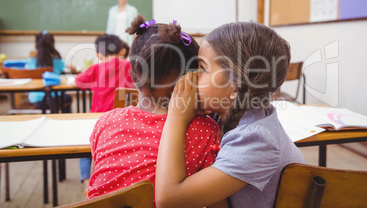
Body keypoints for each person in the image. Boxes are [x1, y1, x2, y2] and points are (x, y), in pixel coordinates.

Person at [155, 22, 306, 208]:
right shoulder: (238, 115)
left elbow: (169, 199)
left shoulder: (257, 140)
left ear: (235, 86)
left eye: (202, 68)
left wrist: (176, 116)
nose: (192, 75)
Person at [87, 15, 221, 207]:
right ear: (192, 80)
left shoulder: (106, 121)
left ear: (132, 74)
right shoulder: (206, 130)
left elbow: (95, 186)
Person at [75, 34, 133, 193]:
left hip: (97, 120)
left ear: (98, 54)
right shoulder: (129, 66)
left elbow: (79, 81)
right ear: (121, 51)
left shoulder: (95, 68)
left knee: (87, 148)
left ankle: (88, 183)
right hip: (124, 122)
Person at [26, 30, 72, 113]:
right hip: (55, 98)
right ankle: (65, 119)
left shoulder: (30, 62)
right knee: (68, 98)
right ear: (53, 45)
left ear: (36, 45)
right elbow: (72, 67)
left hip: (36, 99)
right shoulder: (57, 62)